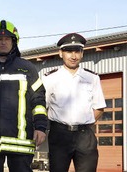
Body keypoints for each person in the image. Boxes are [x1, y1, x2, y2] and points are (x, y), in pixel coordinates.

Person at [0, 20, 47, 172]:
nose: (3, 43)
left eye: (7, 39)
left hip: (21, 140)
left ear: (14, 42)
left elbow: (39, 100)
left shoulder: (28, 69)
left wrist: (41, 127)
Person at [42, 33, 106, 172]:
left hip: (85, 136)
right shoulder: (50, 79)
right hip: (59, 136)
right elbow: (43, 108)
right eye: (69, 51)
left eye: (77, 51)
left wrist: (84, 122)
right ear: (60, 53)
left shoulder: (92, 78)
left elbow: (99, 107)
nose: (73, 56)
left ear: (82, 53)